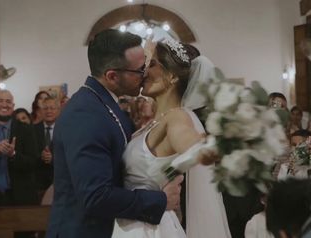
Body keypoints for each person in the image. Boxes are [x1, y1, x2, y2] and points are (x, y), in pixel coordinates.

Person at [46, 29, 183, 238]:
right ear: (112, 76)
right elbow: (95, 196)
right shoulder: (86, 115)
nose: (144, 74)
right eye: (139, 70)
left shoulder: (102, 104)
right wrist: (159, 200)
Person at [112, 39, 231, 237]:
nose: (144, 71)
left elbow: (189, 142)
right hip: (133, 221)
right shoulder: (152, 124)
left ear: (173, 76)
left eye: (152, 64)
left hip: (149, 228)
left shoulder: (177, 117)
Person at [34, 97, 60, 201]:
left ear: (58, 110)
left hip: (58, 181)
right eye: (45, 108)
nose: (48, 111)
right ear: (41, 111)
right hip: (37, 183)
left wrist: (53, 159)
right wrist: (40, 156)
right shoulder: (32, 130)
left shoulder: (65, 130)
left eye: (52, 108)